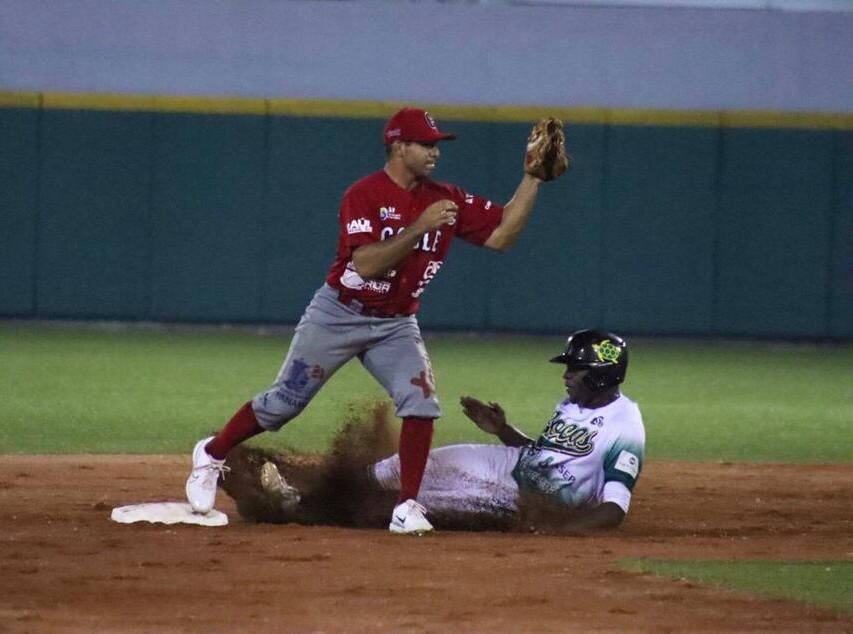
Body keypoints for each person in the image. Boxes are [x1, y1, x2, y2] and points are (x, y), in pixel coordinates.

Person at [186, 107, 567, 534]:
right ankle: (212, 453)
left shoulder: (447, 198)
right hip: (339, 313)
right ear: (398, 146)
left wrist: (532, 179)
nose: (434, 152)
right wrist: (421, 226)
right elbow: (365, 264)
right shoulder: (364, 194)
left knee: (421, 403)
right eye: (425, 144)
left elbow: (500, 236)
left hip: (395, 324)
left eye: (437, 144)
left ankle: (407, 507)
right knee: (283, 403)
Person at [256, 329, 645, 532]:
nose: (566, 375)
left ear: (600, 374)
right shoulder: (575, 404)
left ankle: (298, 510)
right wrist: (503, 430)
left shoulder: (625, 427)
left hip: (521, 499)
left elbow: (613, 511)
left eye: (574, 369)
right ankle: (312, 488)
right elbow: (548, 456)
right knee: (409, 467)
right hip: (511, 462)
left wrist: (557, 528)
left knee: (422, 503)